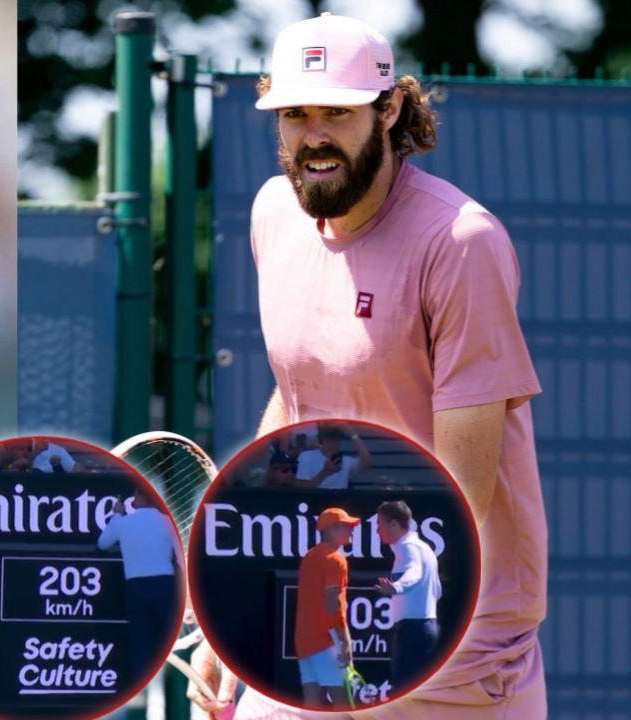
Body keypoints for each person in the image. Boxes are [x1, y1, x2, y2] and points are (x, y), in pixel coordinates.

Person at [239, 11, 546, 720]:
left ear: (390, 108)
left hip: (453, 637)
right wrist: (242, 605)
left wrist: (362, 653)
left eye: (337, 114)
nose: (314, 135)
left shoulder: (461, 241)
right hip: (325, 611)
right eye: (294, 113)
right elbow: (298, 398)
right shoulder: (273, 214)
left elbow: (455, 496)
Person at [97, 485, 182, 683]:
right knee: (169, 641)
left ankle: (142, 687)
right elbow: (180, 557)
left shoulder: (123, 523)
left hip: (137, 588)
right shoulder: (169, 522)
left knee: (140, 644)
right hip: (165, 586)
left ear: (137, 495)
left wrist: (117, 516)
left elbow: (102, 544)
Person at [374, 500, 442, 693]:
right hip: (427, 629)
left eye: (380, 524)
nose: (377, 530)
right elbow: (437, 590)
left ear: (394, 524)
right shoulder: (424, 548)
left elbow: (414, 573)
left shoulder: (407, 548)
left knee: (405, 692)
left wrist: (395, 588)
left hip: (413, 631)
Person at [293, 508, 357, 709]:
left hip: (303, 641)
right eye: (346, 526)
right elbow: (333, 603)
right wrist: (345, 641)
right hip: (326, 642)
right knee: (342, 703)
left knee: (311, 704)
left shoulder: (310, 556)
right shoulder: (335, 560)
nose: (351, 531)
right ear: (332, 529)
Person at [295, 425, 371, 489]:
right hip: (315, 501)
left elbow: (367, 463)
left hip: (339, 503)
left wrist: (353, 435)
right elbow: (303, 488)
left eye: (336, 438)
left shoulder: (346, 460)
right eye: (329, 438)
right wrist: (325, 472)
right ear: (322, 440)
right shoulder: (306, 456)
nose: (333, 442)